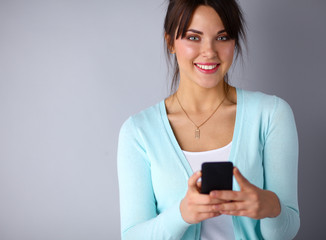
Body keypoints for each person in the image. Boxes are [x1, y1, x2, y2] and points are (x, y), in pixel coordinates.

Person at [117, 0, 300, 239]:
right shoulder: (138, 131)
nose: (210, 51)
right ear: (170, 42)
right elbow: (132, 236)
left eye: (222, 37)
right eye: (194, 37)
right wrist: (181, 214)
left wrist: (270, 207)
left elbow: (287, 230)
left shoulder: (271, 114)